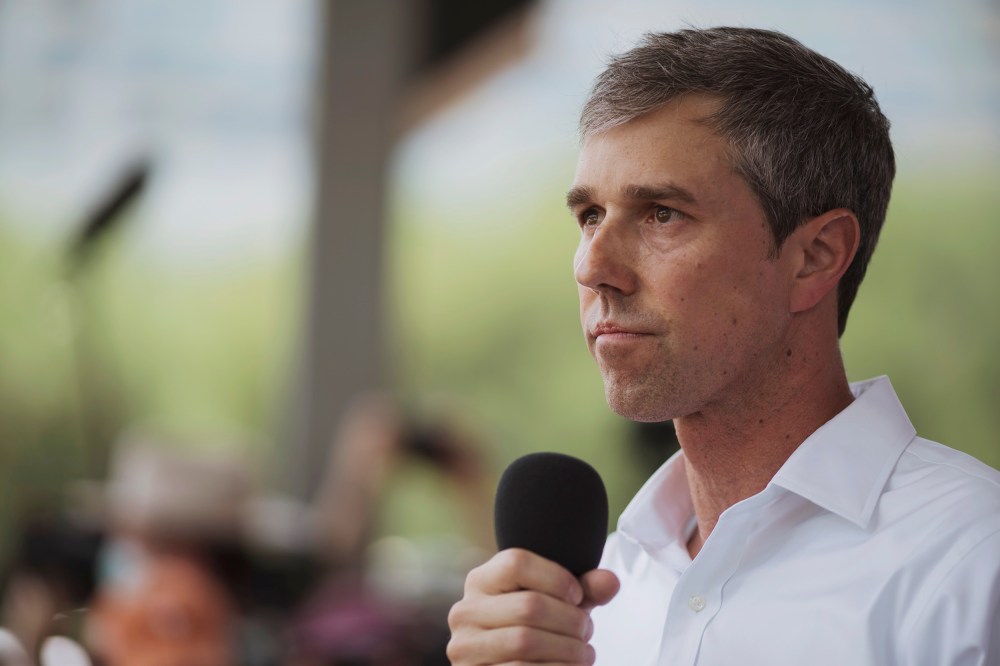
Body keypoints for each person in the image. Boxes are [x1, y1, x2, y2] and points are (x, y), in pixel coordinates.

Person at [446, 27, 1000, 665]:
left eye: (661, 214)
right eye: (589, 215)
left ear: (815, 257)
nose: (592, 267)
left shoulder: (971, 564)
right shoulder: (600, 593)